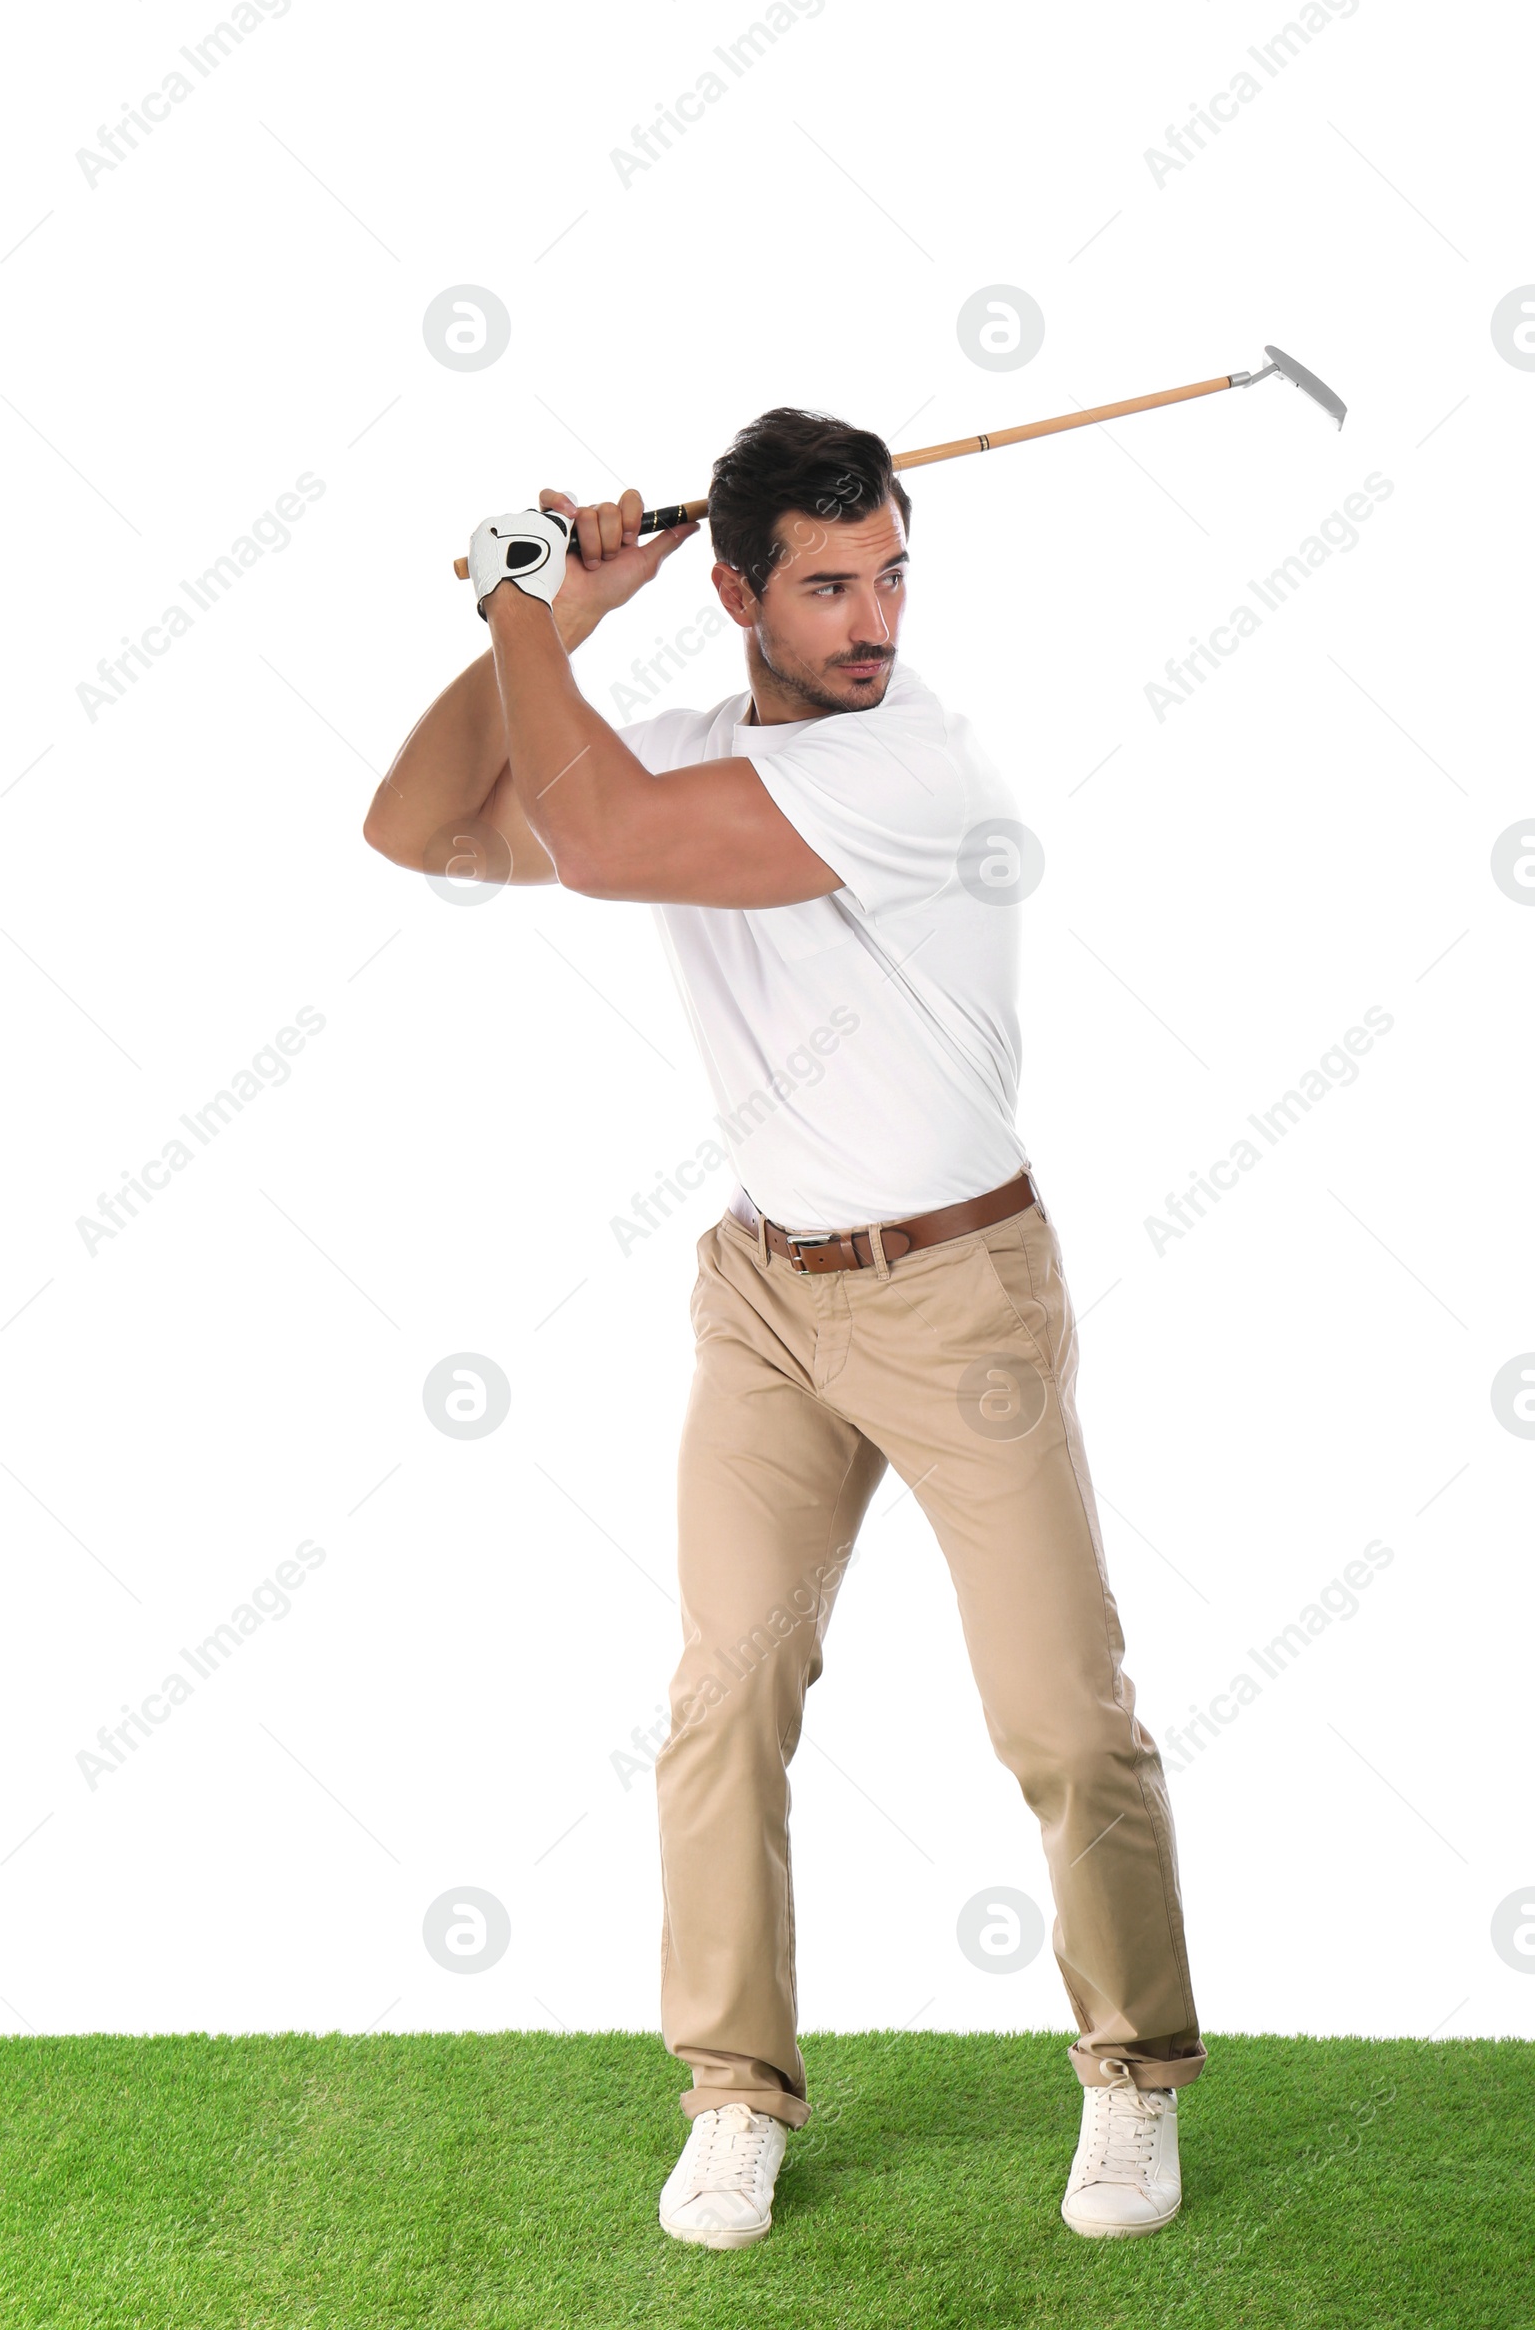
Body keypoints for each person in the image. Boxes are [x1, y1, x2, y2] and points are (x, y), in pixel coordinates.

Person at [363, 408, 1205, 2250]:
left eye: (891, 572)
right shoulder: (673, 745)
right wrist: (557, 622)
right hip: (766, 1299)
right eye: (826, 584)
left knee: (1063, 1715)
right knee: (723, 1698)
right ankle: (736, 2096)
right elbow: (418, 825)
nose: (870, 615)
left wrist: (532, 601)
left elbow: (590, 839)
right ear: (735, 589)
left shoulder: (920, 766)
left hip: (961, 1289)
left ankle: (1134, 2074)